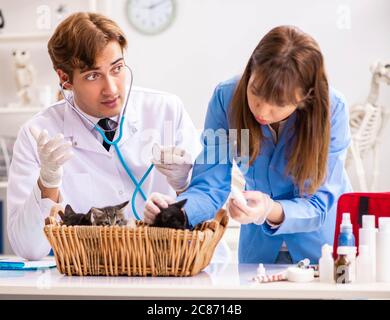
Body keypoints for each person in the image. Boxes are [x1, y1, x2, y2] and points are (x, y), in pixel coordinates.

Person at [144, 25, 352, 264]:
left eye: (279, 103)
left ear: (305, 97)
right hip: (259, 252)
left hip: (321, 249)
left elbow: (320, 202)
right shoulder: (226, 99)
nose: (262, 111)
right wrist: (178, 212)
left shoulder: (332, 110)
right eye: (256, 92)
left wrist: (268, 210)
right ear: (250, 70)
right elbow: (210, 183)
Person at [7, 12, 201, 260]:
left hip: (169, 267)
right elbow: (28, 249)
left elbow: (210, 208)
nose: (111, 88)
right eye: (92, 75)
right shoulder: (37, 134)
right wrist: (48, 182)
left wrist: (185, 184)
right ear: (65, 79)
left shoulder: (166, 111)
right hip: (90, 281)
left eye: (117, 68)